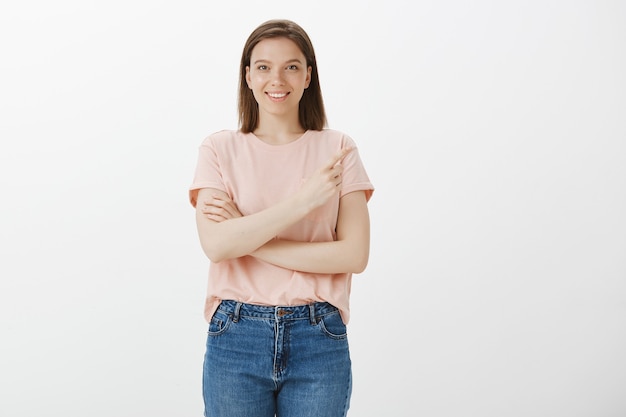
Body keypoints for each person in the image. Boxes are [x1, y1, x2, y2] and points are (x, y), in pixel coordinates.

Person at [189, 19, 374, 417]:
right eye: (263, 67)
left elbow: (354, 255)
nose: (277, 79)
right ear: (248, 76)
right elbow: (217, 245)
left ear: (308, 76)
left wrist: (247, 231)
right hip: (236, 333)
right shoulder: (218, 149)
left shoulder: (338, 149)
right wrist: (303, 201)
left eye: (291, 66)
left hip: (318, 334)